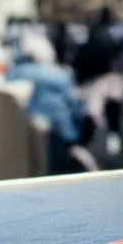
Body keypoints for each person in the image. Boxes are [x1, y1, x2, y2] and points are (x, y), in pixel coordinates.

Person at [7, 36, 98, 174]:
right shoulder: (61, 76)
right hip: (61, 132)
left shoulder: (16, 73)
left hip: (28, 134)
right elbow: (75, 108)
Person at [73, 5, 123, 156]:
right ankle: (113, 143)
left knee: (94, 111)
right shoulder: (118, 33)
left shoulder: (94, 32)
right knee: (112, 111)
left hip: (99, 78)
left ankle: (83, 146)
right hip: (113, 76)